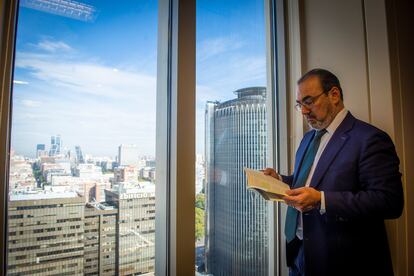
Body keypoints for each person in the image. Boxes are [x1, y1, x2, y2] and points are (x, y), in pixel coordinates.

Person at [264, 68, 404, 276]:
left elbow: (389, 202)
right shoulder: (308, 139)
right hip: (300, 252)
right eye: (299, 104)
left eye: (309, 101)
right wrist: (280, 180)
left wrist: (321, 200)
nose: (303, 111)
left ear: (334, 95)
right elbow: (305, 181)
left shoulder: (369, 138)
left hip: (343, 261)